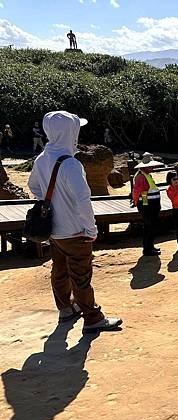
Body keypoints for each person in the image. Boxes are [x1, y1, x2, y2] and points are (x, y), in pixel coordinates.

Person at [27, 111, 122, 333]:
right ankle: (92, 317)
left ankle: (65, 309)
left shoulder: (41, 159)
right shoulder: (71, 164)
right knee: (80, 275)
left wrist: (49, 203)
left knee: (59, 271)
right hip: (75, 231)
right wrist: (91, 228)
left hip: (54, 231)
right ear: (70, 132)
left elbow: (33, 186)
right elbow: (82, 201)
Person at [132, 152, 164, 256]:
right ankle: (148, 249)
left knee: (150, 227)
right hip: (147, 206)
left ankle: (150, 246)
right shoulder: (141, 176)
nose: (152, 168)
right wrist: (140, 203)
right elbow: (139, 192)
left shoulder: (146, 175)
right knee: (149, 227)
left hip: (150, 205)